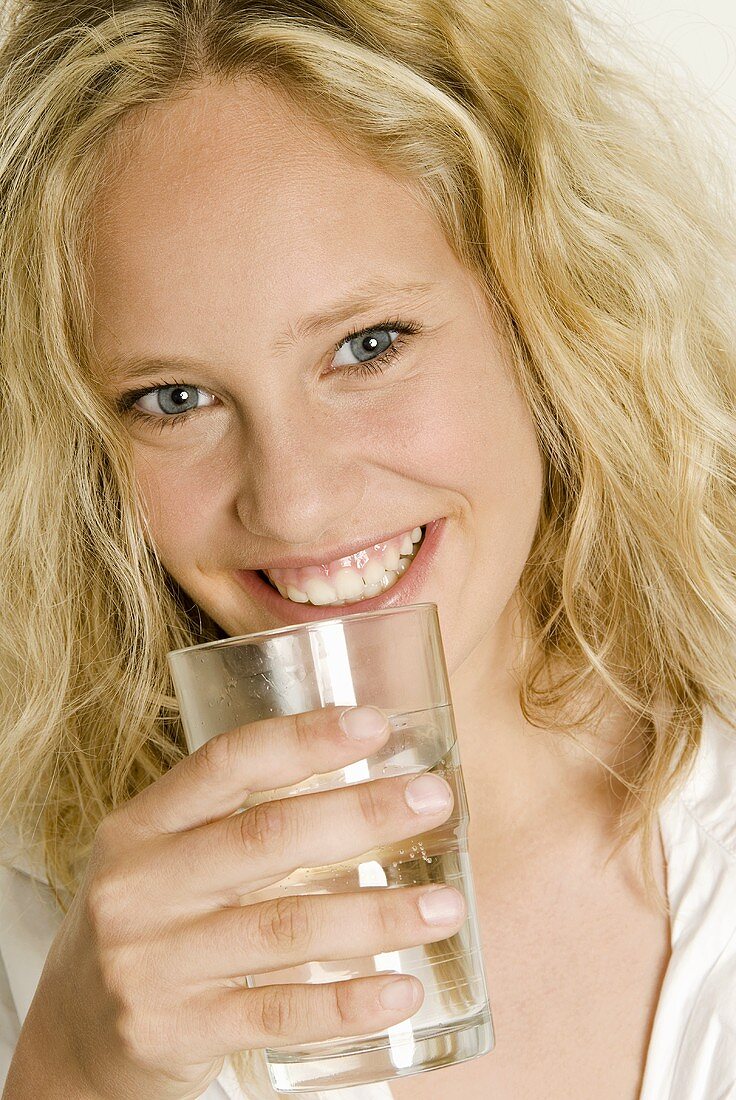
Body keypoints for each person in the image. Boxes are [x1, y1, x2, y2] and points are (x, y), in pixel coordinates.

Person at [1, 0, 735, 1097]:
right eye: (174, 396)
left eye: (367, 345)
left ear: (547, 306)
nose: (294, 505)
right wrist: (69, 1070)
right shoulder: (54, 922)